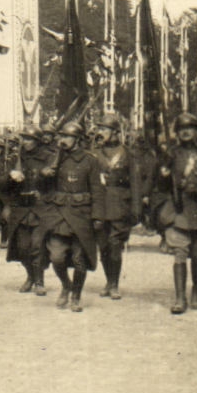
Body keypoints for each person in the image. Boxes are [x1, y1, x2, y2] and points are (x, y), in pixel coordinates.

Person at [39, 120, 105, 312]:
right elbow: (43, 189)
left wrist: (98, 216)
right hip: (59, 214)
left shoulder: (90, 160)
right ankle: (66, 285)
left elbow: (98, 191)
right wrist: (44, 174)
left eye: (67, 136)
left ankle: (76, 295)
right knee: (57, 257)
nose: (63, 140)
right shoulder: (54, 158)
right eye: (62, 136)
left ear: (77, 139)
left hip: (81, 215)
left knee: (79, 259)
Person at [161, 112, 197, 314]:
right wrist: (163, 172)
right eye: (181, 129)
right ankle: (179, 298)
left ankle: (196, 290)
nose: (185, 132)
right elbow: (159, 183)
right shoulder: (171, 154)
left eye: (190, 128)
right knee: (179, 252)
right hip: (179, 209)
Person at [91, 113, 139, 300]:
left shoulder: (127, 153)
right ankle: (109, 280)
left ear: (115, 132)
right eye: (99, 129)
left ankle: (115, 284)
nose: (100, 132)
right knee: (103, 246)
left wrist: (136, 209)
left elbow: (135, 183)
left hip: (120, 205)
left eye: (104, 129)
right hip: (100, 205)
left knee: (115, 245)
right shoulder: (93, 153)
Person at [0, 124, 50, 294]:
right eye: (24, 138)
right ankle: (30, 275)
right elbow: (1, 186)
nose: (26, 142)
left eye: (29, 139)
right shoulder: (16, 159)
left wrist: (43, 192)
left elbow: (54, 184)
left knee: (37, 246)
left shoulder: (48, 158)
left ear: (37, 141)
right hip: (20, 209)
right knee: (22, 247)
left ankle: (39, 280)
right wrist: (10, 177)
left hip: (39, 209)